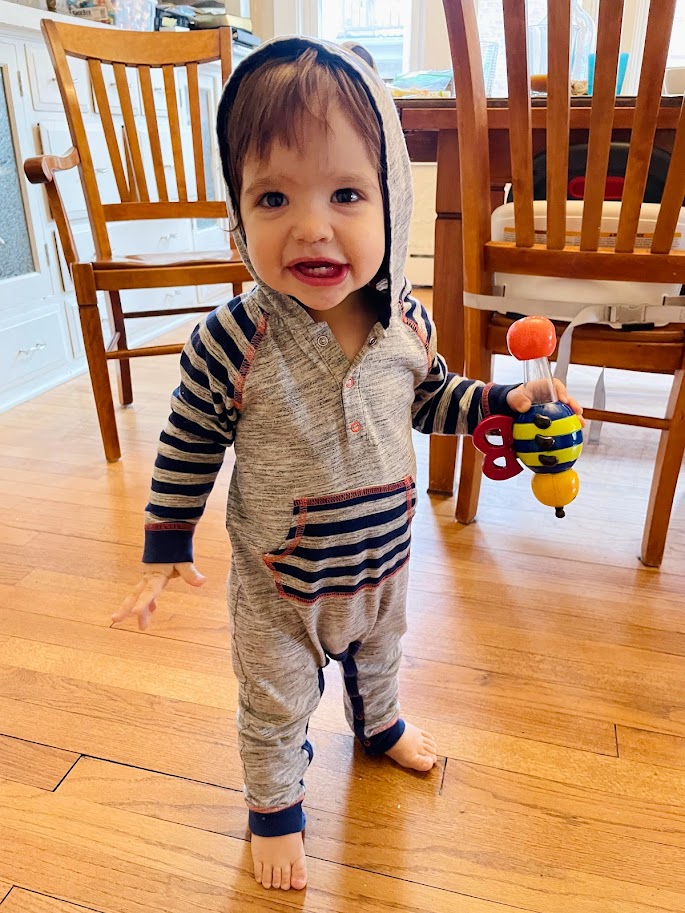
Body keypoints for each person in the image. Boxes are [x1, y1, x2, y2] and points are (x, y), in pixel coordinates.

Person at [114, 36, 583, 893]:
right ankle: (274, 808)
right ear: (237, 214)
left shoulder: (401, 321)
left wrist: (496, 407)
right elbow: (187, 441)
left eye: (345, 193)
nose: (312, 224)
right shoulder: (230, 341)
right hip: (279, 579)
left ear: (392, 205)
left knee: (382, 658)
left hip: (382, 561)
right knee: (274, 696)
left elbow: (430, 396)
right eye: (273, 196)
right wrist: (165, 541)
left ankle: (379, 727)